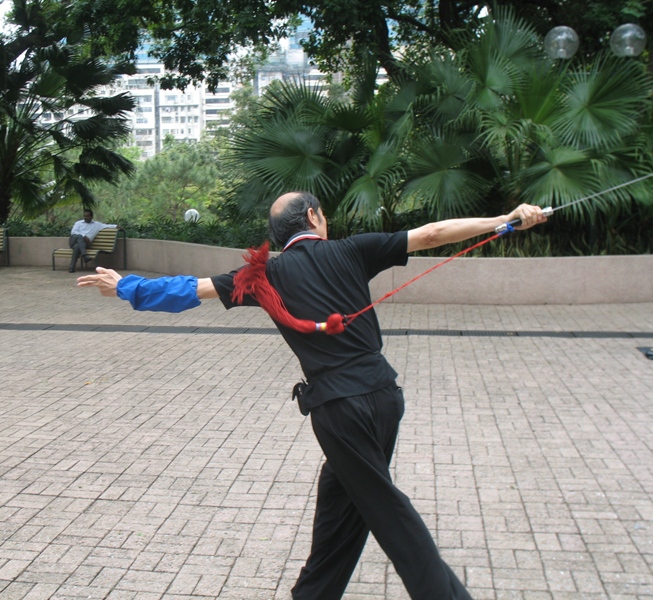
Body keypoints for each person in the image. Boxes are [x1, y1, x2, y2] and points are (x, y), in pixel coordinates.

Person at [77, 192, 547, 599]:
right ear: (317, 217)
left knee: (388, 513)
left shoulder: (265, 276)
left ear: (280, 235)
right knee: (342, 508)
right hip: (383, 399)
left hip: (340, 411)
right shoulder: (353, 250)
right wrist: (505, 219)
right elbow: (432, 233)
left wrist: (126, 287)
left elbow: (188, 290)